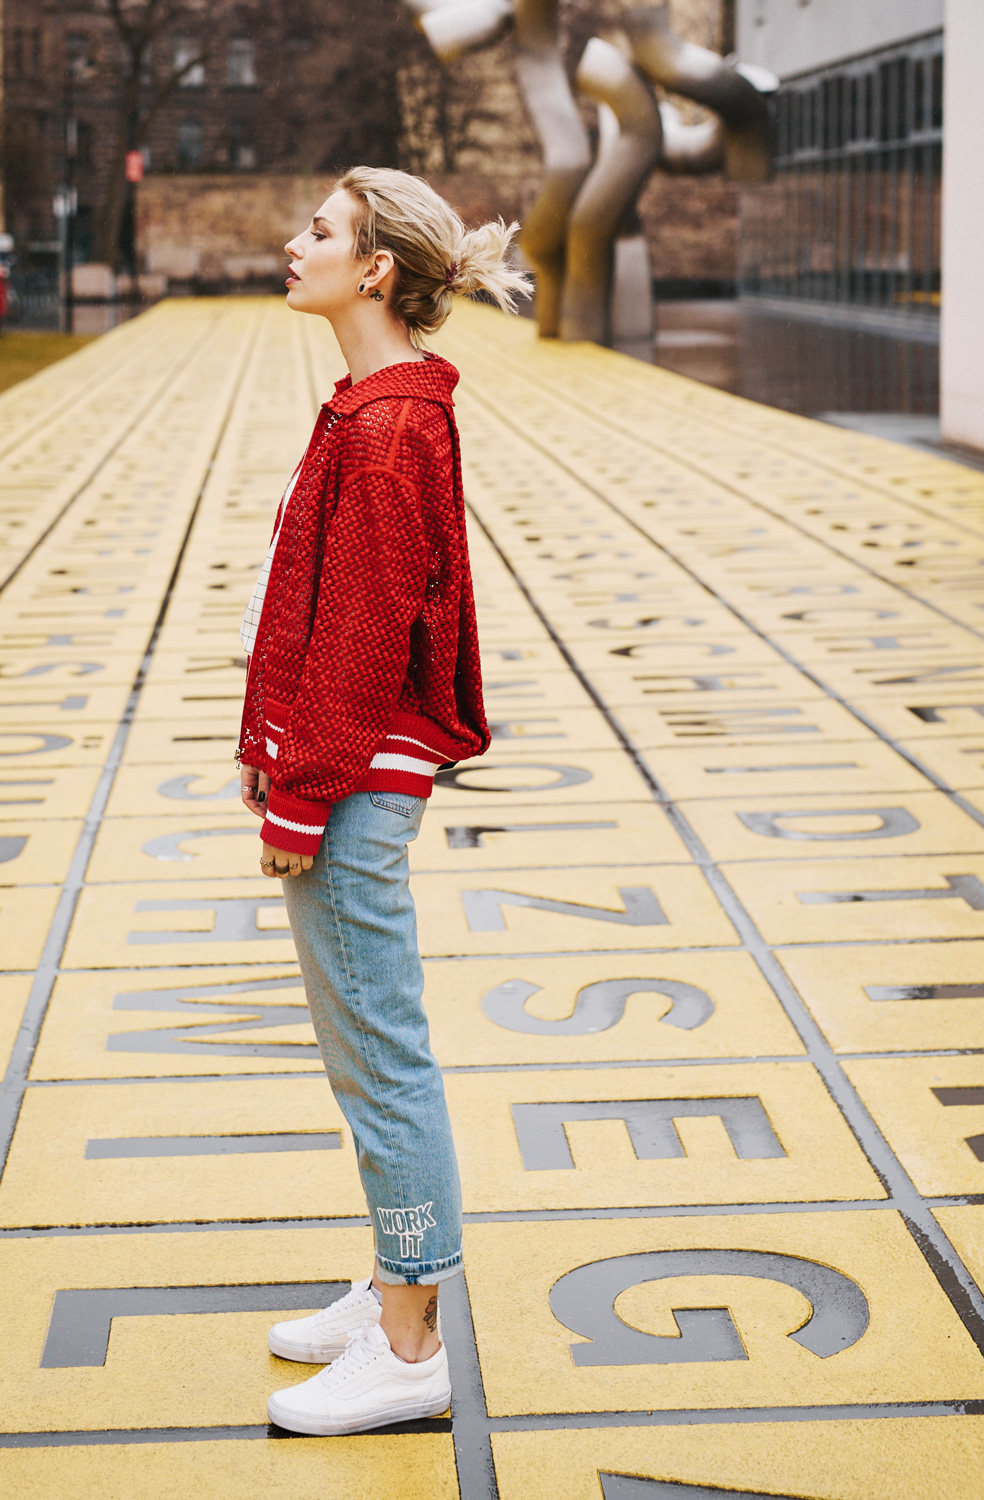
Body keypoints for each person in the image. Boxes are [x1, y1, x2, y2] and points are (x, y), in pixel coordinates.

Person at [237, 167, 528, 1437]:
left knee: (383, 1062)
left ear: (375, 271)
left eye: (320, 231)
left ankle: (411, 1348)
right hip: (343, 771)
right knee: (366, 1056)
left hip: (354, 786)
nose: (291, 243)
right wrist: (276, 749)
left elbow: (362, 633)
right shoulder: (375, 402)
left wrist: (299, 798)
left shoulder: (392, 421)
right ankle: (389, 1286)